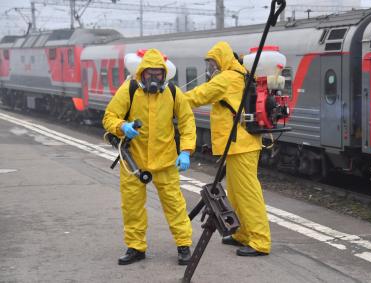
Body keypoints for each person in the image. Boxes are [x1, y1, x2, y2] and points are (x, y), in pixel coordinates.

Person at [103, 48, 196, 265]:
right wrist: (122, 126)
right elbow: (109, 116)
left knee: (175, 204)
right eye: (149, 74)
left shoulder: (173, 93)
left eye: (158, 75)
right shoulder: (130, 89)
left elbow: (187, 122)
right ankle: (136, 247)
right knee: (132, 206)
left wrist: (185, 151)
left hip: (165, 160)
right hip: (134, 161)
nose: (154, 79)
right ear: (142, 73)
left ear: (164, 75)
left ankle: (184, 245)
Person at [184, 41, 271, 256]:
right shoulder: (241, 74)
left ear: (222, 60)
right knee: (236, 193)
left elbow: (198, 96)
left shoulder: (227, 78)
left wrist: (170, 100)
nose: (211, 68)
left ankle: (260, 241)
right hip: (239, 144)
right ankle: (242, 233)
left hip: (241, 144)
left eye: (213, 63)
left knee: (248, 194)